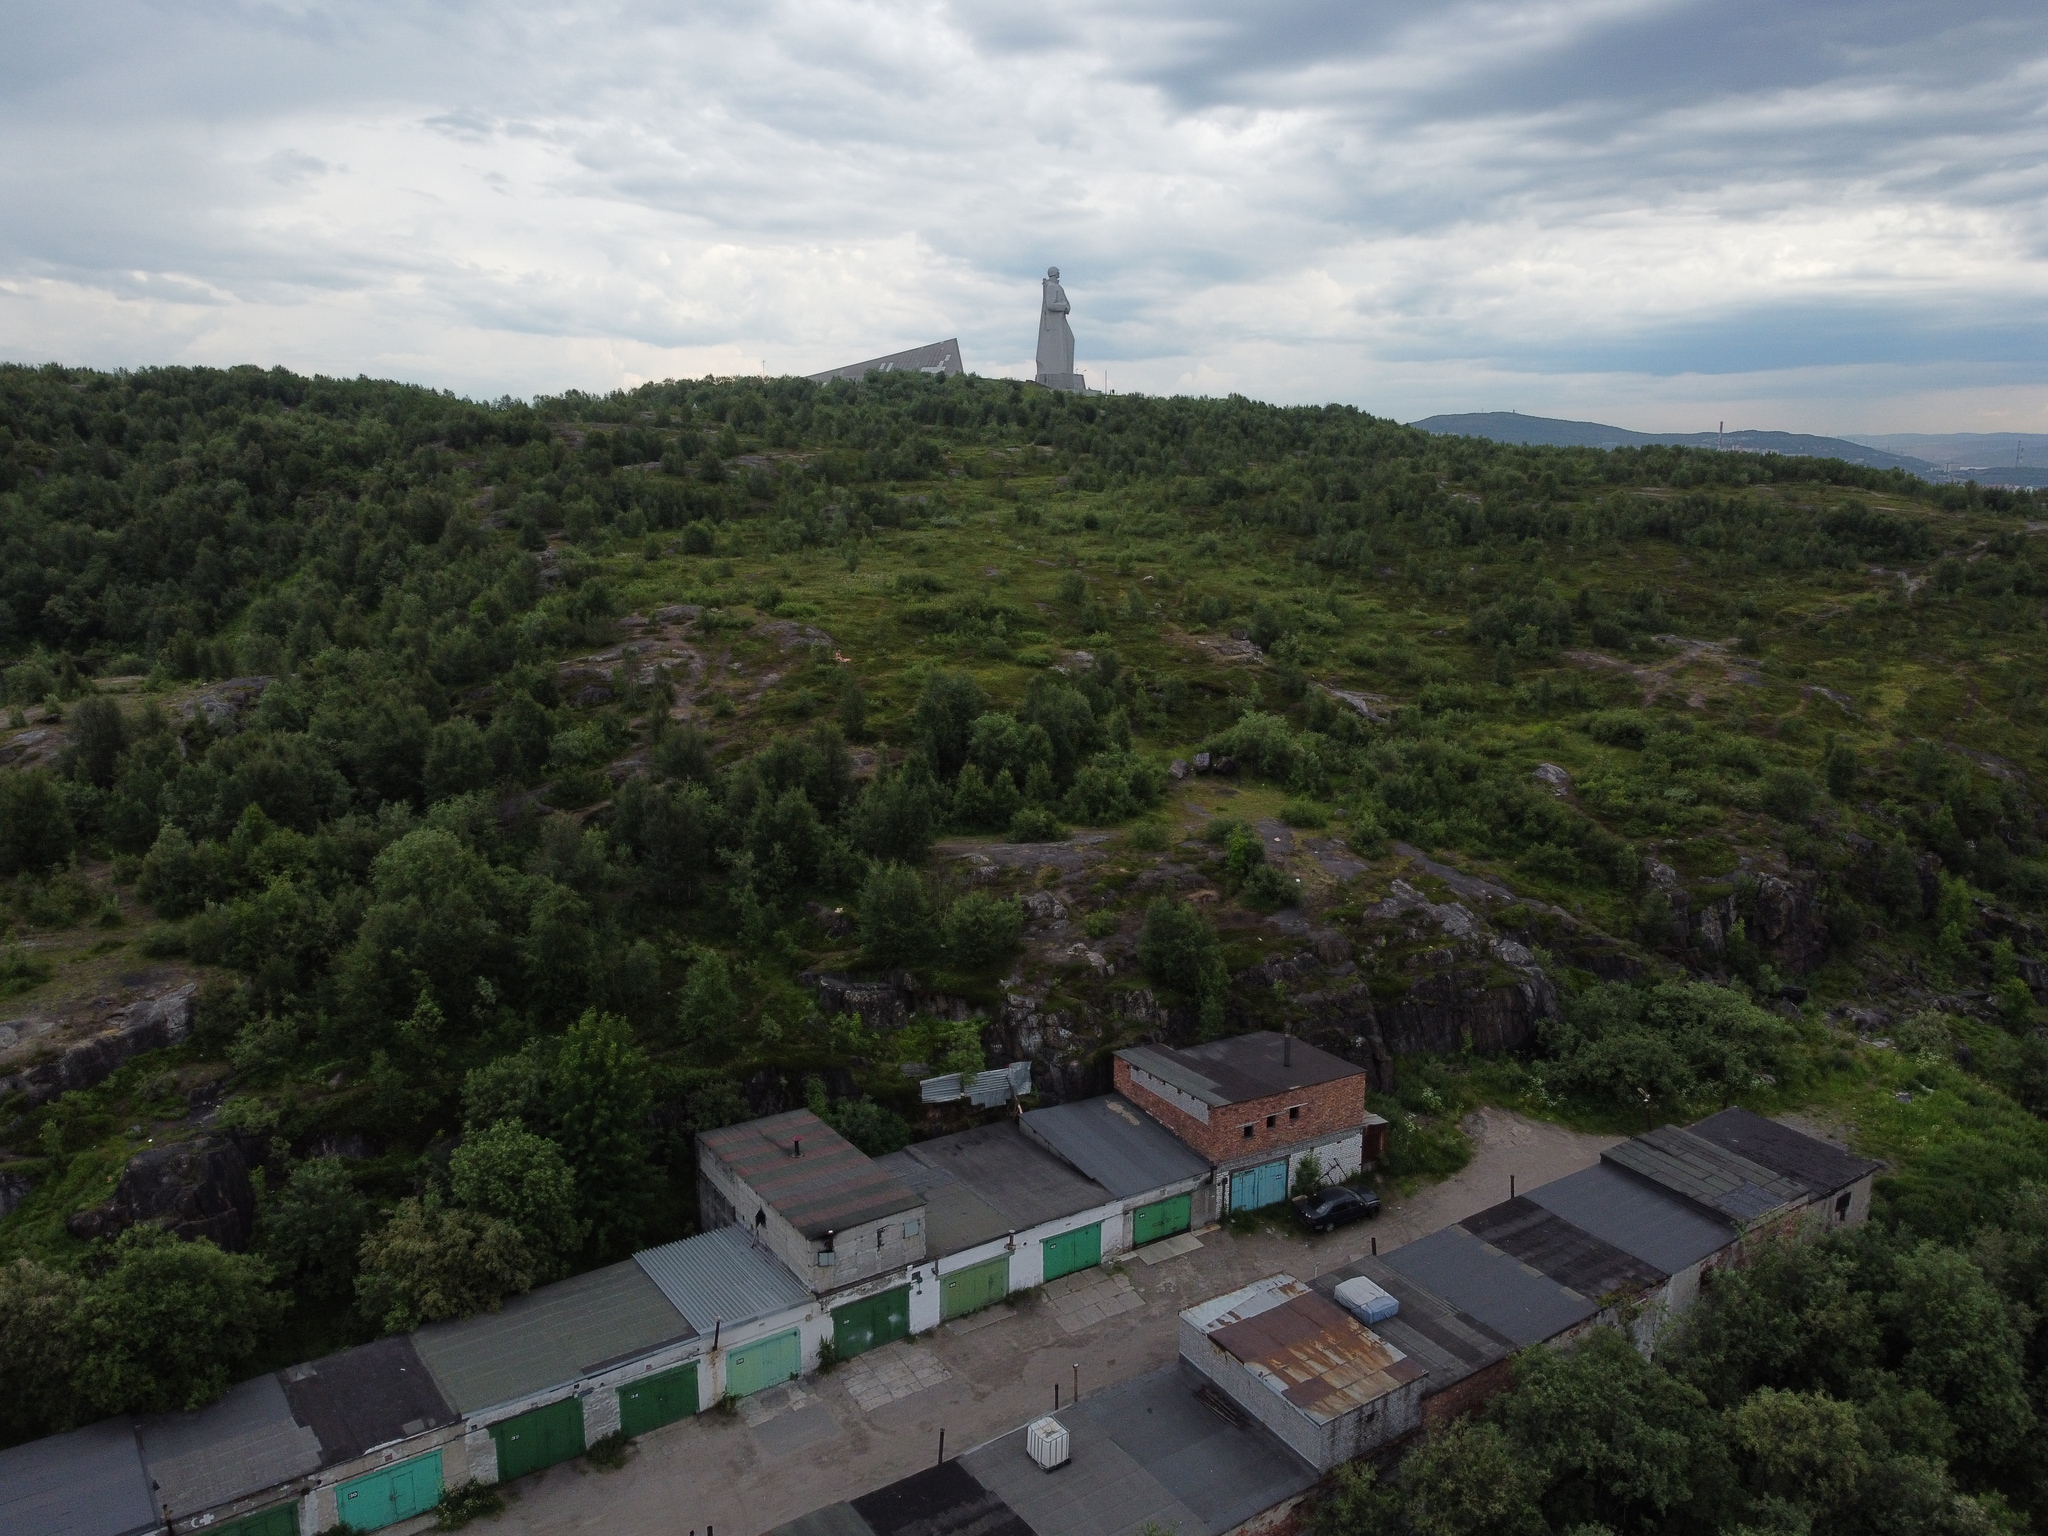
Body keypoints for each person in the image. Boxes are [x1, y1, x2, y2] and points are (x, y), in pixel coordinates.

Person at [1036, 266, 1076, 383]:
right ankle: (1059, 370)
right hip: (1054, 324)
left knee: (1070, 341)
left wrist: (1066, 306)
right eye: (1058, 272)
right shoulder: (1052, 287)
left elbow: (1066, 303)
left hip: (1060, 321)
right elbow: (1050, 304)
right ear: (1054, 274)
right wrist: (1063, 306)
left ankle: (1066, 371)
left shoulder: (1057, 287)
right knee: (1064, 344)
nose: (1059, 273)